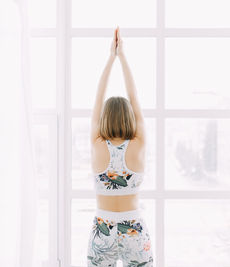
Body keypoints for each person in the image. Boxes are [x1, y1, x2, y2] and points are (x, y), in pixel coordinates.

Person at [87, 26, 154, 267]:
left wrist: (110, 58)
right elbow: (134, 98)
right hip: (133, 227)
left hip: (102, 226)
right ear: (130, 119)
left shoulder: (97, 145)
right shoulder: (138, 145)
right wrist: (122, 56)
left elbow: (97, 99)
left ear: (105, 117)